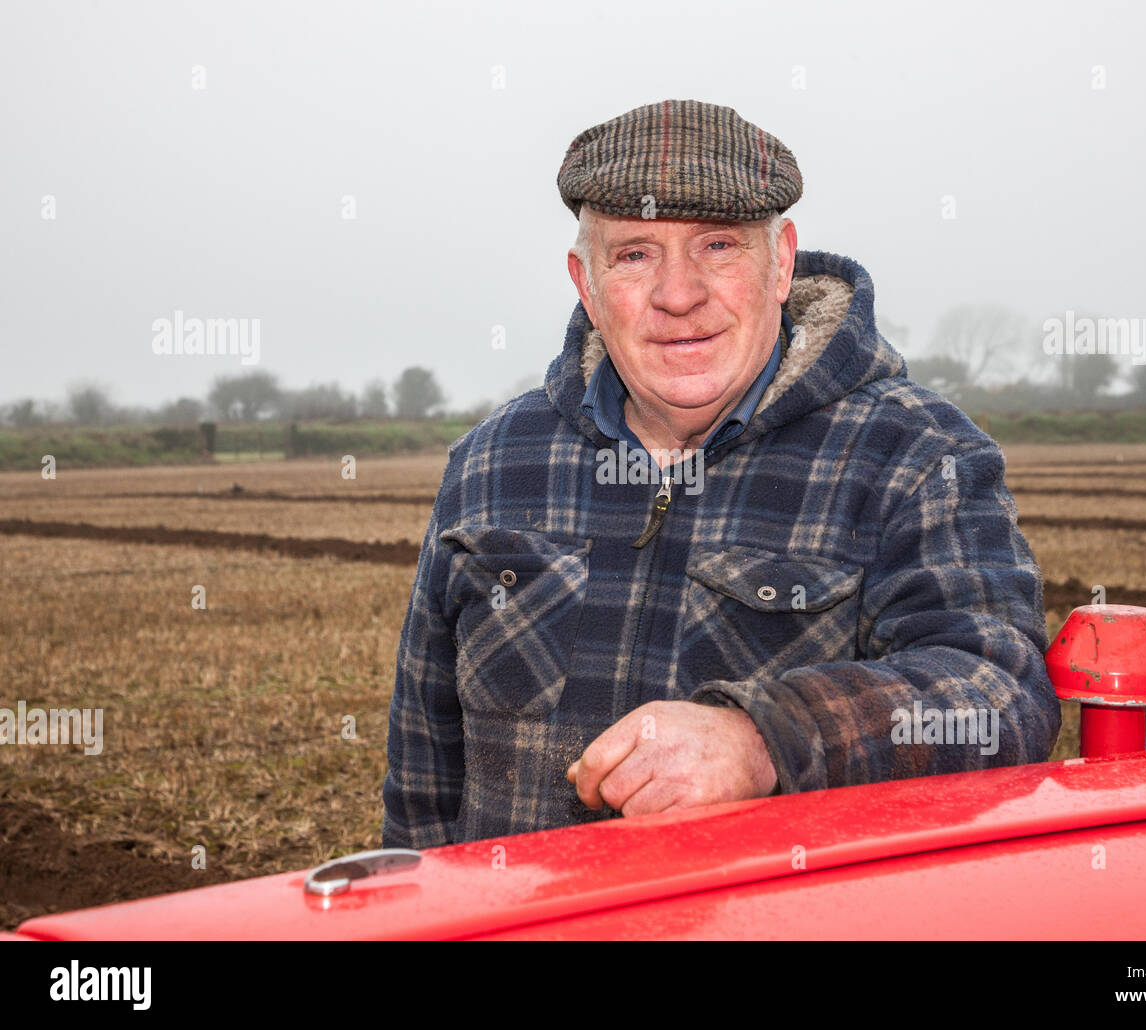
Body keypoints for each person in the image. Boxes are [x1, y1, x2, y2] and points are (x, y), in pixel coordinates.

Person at [382, 98, 1060, 848]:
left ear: (781, 264)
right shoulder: (492, 463)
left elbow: (1000, 697)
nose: (679, 295)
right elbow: (423, 778)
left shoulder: (914, 456)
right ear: (587, 282)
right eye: (635, 254)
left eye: (717, 247)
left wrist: (768, 739)